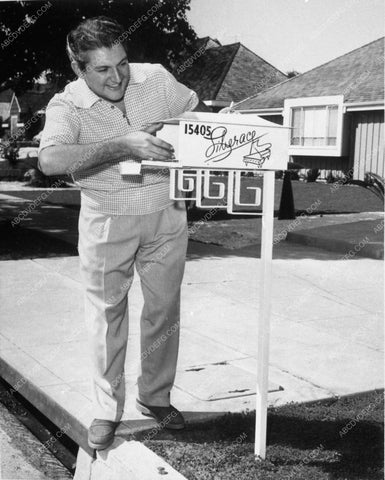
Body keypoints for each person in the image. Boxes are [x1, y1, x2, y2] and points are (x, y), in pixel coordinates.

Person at [38, 16, 208, 451]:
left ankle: (155, 398)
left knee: (163, 310)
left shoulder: (155, 78)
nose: (117, 77)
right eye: (102, 70)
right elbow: (51, 161)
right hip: (106, 216)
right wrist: (124, 144)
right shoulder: (66, 105)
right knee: (106, 315)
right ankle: (105, 410)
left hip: (167, 210)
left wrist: (202, 132)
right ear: (78, 68)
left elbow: (195, 110)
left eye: (122, 63)